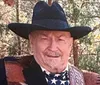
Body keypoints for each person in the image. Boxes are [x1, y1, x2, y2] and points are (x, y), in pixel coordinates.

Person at [0, 1, 100, 85]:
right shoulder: (6, 71)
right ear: (32, 41)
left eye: (60, 39)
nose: (53, 47)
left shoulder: (90, 81)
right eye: (44, 39)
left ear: (70, 43)